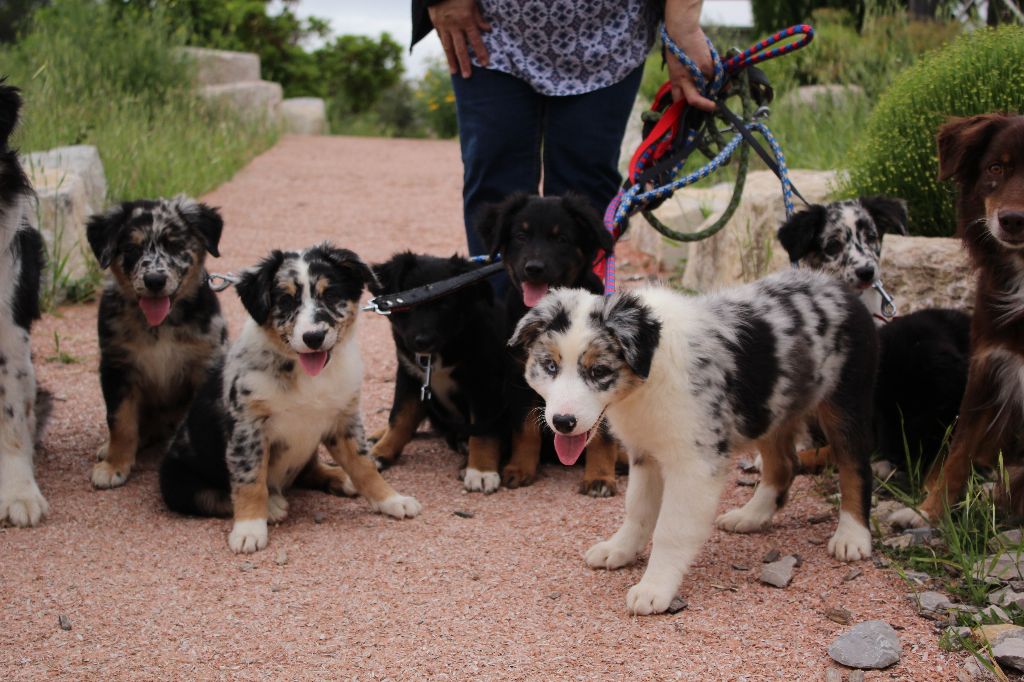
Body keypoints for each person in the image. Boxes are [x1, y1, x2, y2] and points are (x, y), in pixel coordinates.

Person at [410, 0, 715, 257]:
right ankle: (500, 321)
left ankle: (581, 321)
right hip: (491, 30)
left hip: (610, 37)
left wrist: (683, 28)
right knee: (495, 184)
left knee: (585, 192)